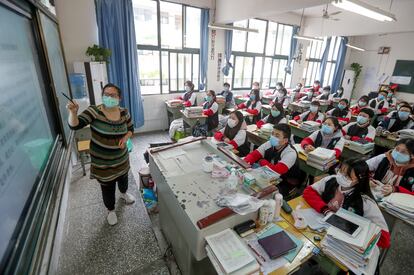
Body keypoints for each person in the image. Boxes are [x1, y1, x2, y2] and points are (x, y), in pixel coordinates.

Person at [67, 83, 135, 226]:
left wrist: (126, 137)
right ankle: (110, 210)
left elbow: (130, 129)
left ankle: (123, 194)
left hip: (121, 158)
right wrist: (73, 113)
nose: (109, 97)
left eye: (113, 95)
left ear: (119, 98)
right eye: (106, 94)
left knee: (123, 179)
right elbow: (75, 125)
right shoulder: (94, 111)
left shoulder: (124, 112)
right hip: (103, 161)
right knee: (107, 186)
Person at [303, 158, 390, 248]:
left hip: (341, 241)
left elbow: (385, 239)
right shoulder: (331, 181)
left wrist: (354, 227)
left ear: (359, 179)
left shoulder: (365, 202)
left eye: (347, 176)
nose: (341, 176)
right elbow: (308, 191)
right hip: (321, 227)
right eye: (341, 171)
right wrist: (325, 210)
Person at [244, 124, 304, 196]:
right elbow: (253, 155)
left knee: (260, 194)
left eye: (277, 136)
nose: (273, 137)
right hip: (270, 176)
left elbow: (276, 171)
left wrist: (261, 161)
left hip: (285, 183)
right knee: (248, 181)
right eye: (272, 134)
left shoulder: (290, 153)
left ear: (285, 140)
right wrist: (245, 164)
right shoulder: (269, 144)